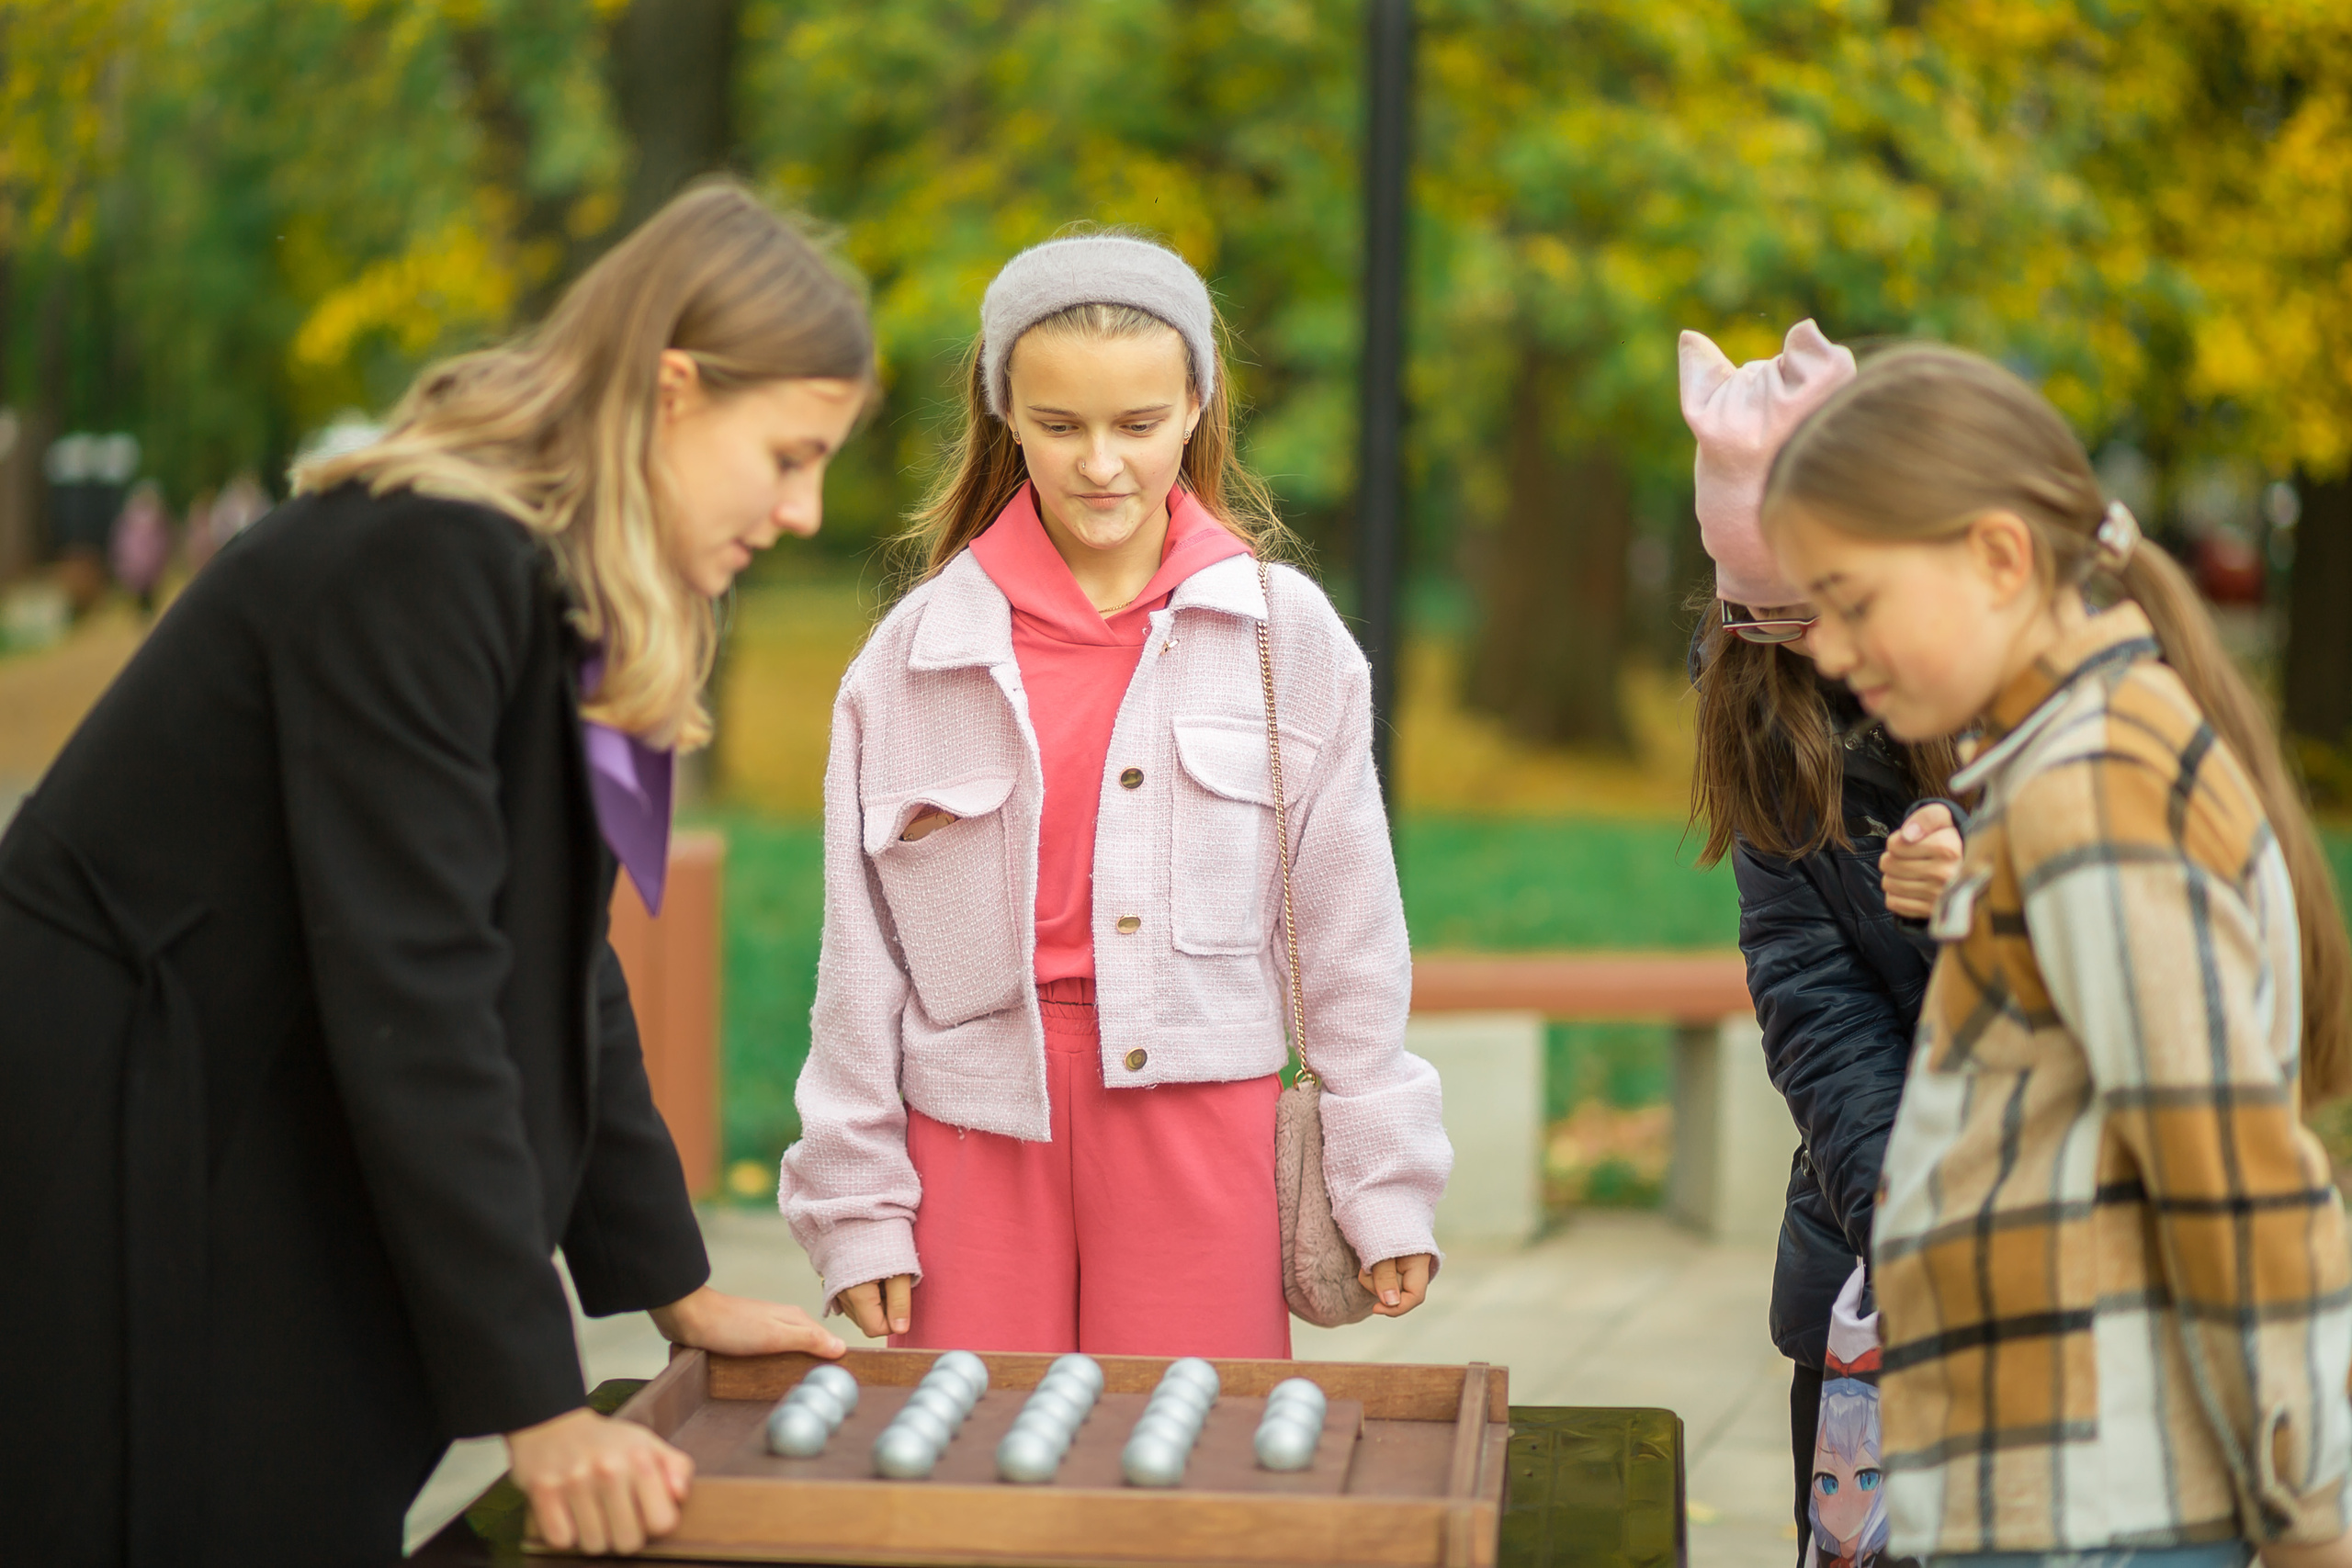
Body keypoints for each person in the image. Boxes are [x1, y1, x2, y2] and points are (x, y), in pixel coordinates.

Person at [0, 181, 870, 1566]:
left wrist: (672, 1284)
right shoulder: (422, 558)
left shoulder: (547, 585)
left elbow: (556, 955)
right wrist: (538, 1405)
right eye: (789, 454)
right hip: (128, 1115)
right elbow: (421, 974)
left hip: (255, 1084)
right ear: (671, 391)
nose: (806, 508)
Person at [778, 232, 1450, 1359]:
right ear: (1004, 414)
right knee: (974, 1476)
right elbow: (859, 958)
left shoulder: (1288, 640)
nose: (1101, 463)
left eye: (1137, 425)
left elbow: (1352, 937)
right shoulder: (909, 659)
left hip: (1208, 1132)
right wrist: (857, 1208)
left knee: (1197, 1479)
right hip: (971, 1131)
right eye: (1059, 426)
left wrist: (1381, 1179)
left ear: (1196, 405)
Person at [1762, 343, 2352, 1568]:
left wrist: (2310, 1508)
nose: (1825, 649)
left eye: (1855, 600)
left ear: (1998, 554)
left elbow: (2234, 1175)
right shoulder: (2064, 770)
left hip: (2100, 1512)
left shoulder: (2095, 794)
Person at [1682, 320, 1964, 1557]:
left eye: (1822, 609)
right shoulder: (1759, 685)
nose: (1806, 651)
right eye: (1760, 617)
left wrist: (1996, 884)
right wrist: (1906, 1220)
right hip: (1873, 1258)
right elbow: (1810, 987)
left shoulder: (2060, 690)